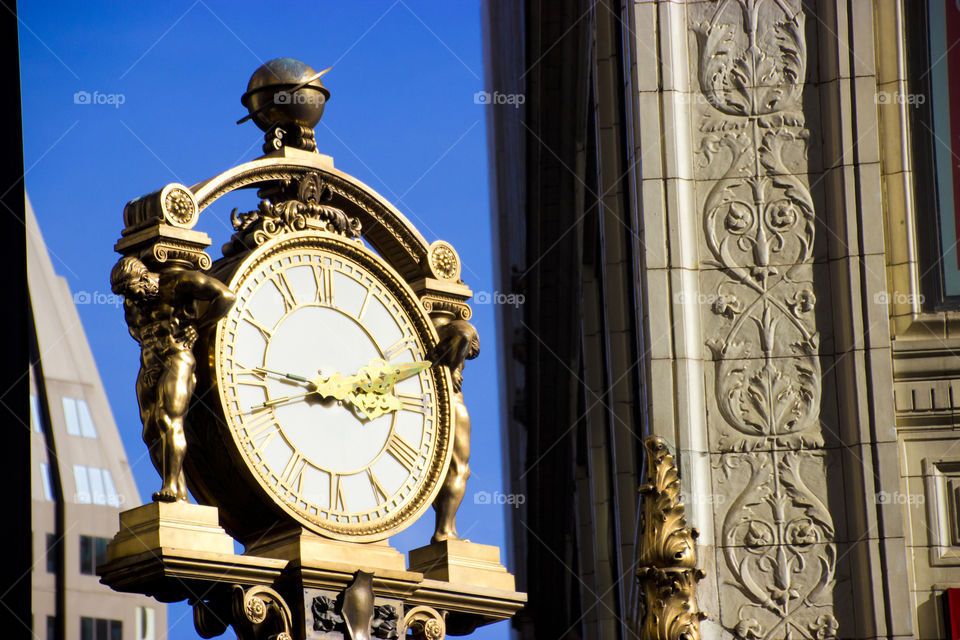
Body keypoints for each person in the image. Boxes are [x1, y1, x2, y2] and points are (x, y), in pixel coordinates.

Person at [110, 256, 236, 502]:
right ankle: (179, 493)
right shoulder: (131, 304)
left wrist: (199, 325)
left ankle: (168, 483)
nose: (130, 298)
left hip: (177, 357)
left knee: (166, 417)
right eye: (124, 294)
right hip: (149, 365)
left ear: (145, 278)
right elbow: (137, 332)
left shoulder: (177, 283)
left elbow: (226, 297)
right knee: (150, 431)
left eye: (131, 290)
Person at [430, 318, 480, 543]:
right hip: (451, 400)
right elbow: (465, 334)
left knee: (436, 469)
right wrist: (452, 370)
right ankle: (445, 530)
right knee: (460, 469)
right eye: (468, 354)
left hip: (426, 402)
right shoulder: (450, 326)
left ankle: (447, 528)